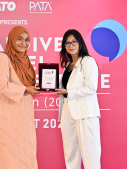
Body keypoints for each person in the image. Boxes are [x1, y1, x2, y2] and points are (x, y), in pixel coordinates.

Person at [0, 26, 41, 169]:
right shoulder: (3, 58)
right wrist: (26, 89)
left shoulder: (27, 61)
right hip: (7, 111)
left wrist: (37, 88)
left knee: (25, 149)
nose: (24, 43)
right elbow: (1, 85)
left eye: (27, 39)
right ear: (12, 39)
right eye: (19, 39)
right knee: (9, 149)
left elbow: (28, 84)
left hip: (25, 110)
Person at [53, 29, 101, 169]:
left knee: (90, 155)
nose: (71, 45)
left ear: (80, 43)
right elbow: (62, 86)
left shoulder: (88, 61)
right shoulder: (68, 65)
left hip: (85, 113)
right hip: (68, 112)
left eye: (74, 41)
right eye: (67, 43)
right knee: (70, 154)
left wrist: (68, 92)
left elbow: (91, 88)